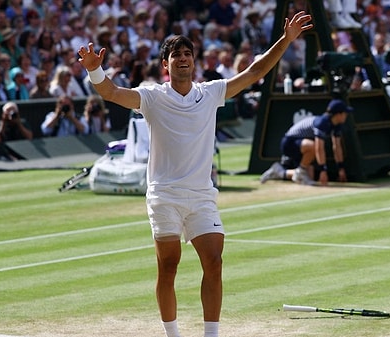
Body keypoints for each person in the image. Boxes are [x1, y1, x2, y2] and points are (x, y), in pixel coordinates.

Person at [77, 10, 313, 337]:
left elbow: (255, 70)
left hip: (202, 196)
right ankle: (172, 334)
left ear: (194, 62)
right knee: (168, 266)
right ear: (166, 65)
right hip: (165, 196)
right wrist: (94, 70)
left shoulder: (212, 92)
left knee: (214, 262)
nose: (183, 58)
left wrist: (285, 41)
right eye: (176, 55)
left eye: (188, 53)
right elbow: (112, 93)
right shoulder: (152, 96)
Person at [260, 99, 351, 186]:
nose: (346, 115)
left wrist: (341, 169)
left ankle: (279, 172)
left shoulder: (337, 125)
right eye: (345, 113)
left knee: (309, 178)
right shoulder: (322, 123)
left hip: (303, 147)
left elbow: (337, 147)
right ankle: (299, 171)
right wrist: (323, 170)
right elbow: (319, 148)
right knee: (313, 146)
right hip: (289, 143)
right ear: (338, 114)